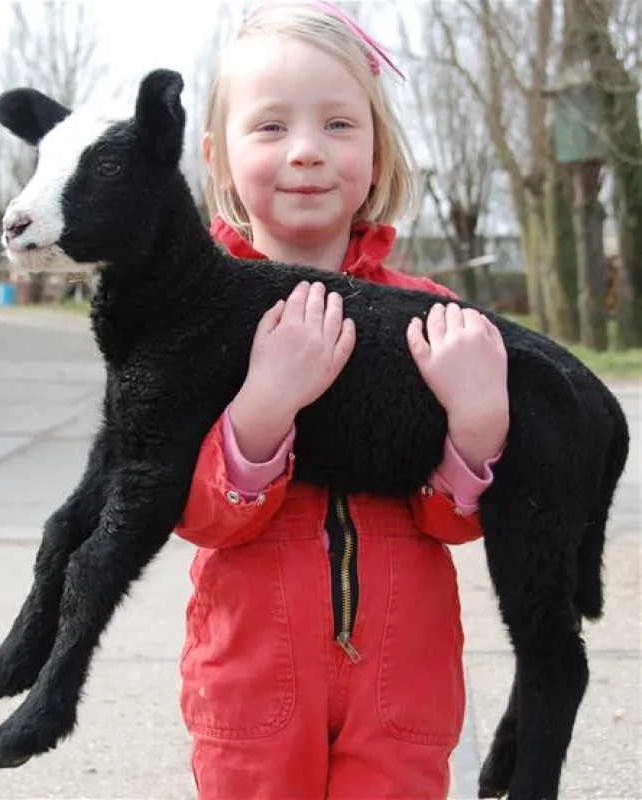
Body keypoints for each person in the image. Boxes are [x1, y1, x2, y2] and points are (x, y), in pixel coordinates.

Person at [175, 1, 509, 797]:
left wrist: (478, 421)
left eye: (336, 124)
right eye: (269, 128)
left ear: (376, 147)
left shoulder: (432, 318)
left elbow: (450, 521)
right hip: (253, 691)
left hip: (403, 689)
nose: (305, 153)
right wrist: (263, 405)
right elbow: (195, 511)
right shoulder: (196, 324)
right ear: (218, 160)